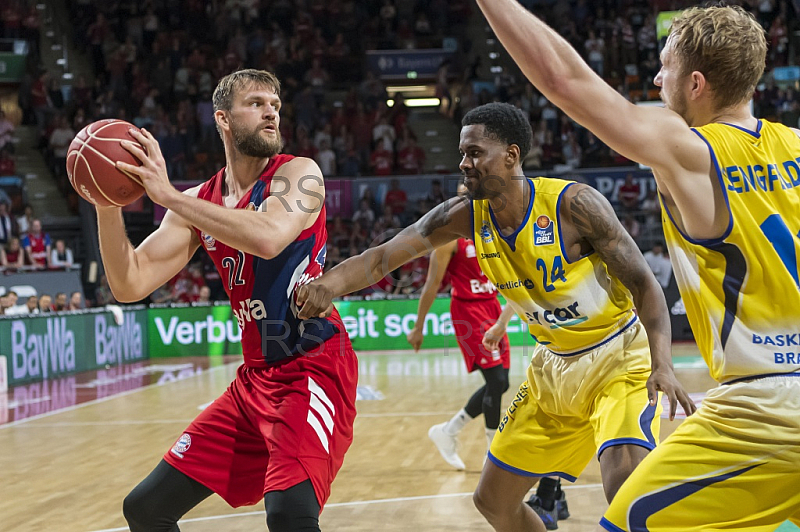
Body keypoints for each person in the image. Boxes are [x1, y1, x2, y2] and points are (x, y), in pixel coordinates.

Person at [472, 2, 800, 531]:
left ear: (696, 84)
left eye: (665, 66)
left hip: (762, 411)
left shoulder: (692, 150)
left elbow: (563, 79)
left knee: (627, 522)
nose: (655, 77)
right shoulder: (796, 147)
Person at [296, 103, 694, 532]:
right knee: (492, 502)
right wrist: (328, 285)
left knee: (626, 488)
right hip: (553, 366)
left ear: (511, 155)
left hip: (617, 357)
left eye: (474, 153)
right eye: (462, 153)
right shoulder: (464, 215)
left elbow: (645, 286)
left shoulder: (574, 205)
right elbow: (382, 258)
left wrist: (663, 365)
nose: (464, 164)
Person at [102, 69, 357, 532]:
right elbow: (129, 283)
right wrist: (105, 203)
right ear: (223, 118)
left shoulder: (299, 174)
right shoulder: (201, 199)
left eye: (275, 104)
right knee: (145, 509)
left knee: (290, 515)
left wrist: (167, 196)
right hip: (254, 380)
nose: (271, 111)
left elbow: (268, 238)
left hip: (313, 366)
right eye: (257, 103)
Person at [406, 184, 512, 470]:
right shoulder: (448, 239)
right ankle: (494, 456)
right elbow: (431, 285)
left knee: (501, 383)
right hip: (468, 311)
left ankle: (448, 431)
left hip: (493, 306)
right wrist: (418, 327)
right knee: (496, 382)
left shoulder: (492, 231)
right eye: (464, 195)